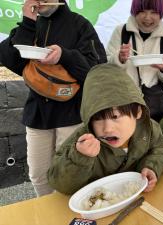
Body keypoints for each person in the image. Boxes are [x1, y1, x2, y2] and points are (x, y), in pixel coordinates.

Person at [0, 0, 107, 196]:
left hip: (72, 112)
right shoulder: (31, 24)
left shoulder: (79, 24)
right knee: (38, 175)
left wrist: (64, 56)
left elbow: (97, 69)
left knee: (69, 174)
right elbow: (9, 58)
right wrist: (27, 23)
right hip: (37, 113)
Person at [47, 64, 163, 195]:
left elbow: (160, 147)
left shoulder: (148, 128)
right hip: (98, 207)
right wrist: (80, 157)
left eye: (115, 116)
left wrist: (151, 166)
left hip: (140, 198)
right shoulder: (82, 141)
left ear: (138, 112)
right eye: (98, 119)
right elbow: (60, 185)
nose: (107, 128)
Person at [106, 0, 163, 122]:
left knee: (152, 139)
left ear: (161, 13)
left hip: (153, 106)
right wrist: (119, 58)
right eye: (142, 11)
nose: (147, 17)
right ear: (135, 11)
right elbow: (107, 66)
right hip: (123, 102)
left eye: (154, 12)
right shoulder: (121, 32)